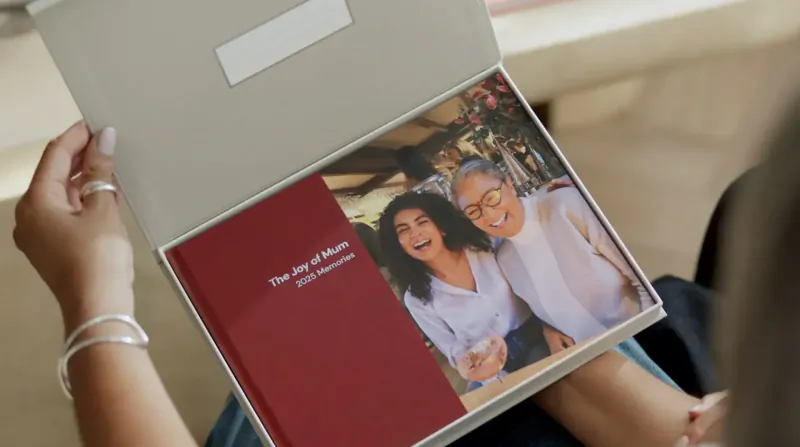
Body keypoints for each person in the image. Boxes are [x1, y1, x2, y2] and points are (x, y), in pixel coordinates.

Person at [15, 121, 734, 447]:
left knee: (291, 362)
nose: (420, 236)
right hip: (550, 374)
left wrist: (95, 298)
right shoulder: (477, 264)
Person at [452, 158, 652, 343]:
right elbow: (552, 307)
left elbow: (643, 277)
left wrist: (653, 332)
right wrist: (549, 330)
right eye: (472, 211)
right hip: (592, 361)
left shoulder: (565, 205)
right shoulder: (505, 260)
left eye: (491, 197)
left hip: (641, 335)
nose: (488, 213)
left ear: (509, 184)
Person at [377, 192, 557, 385]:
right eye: (403, 230)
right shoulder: (416, 299)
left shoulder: (483, 247)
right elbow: (453, 351)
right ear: (399, 245)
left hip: (537, 337)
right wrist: (491, 377)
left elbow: (535, 284)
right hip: (488, 367)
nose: (415, 234)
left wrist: (551, 327)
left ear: (441, 227)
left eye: (422, 222)